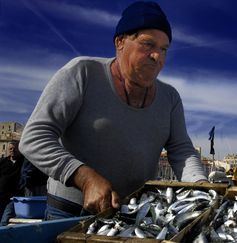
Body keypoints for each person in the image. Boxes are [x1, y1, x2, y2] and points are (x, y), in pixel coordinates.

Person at [19, 1, 207, 220]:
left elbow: (181, 150)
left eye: (163, 49)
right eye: (148, 44)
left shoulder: (170, 97)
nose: (158, 56)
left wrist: (201, 185)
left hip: (136, 212)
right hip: (70, 212)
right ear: (120, 42)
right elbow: (34, 138)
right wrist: (85, 177)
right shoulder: (82, 73)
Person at [0, 142, 25, 224]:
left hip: (14, 197)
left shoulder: (23, 162)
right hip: (2, 196)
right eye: (11, 148)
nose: (13, 150)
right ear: (8, 150)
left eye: (15, 148)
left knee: (5, 219)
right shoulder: (3, 162)